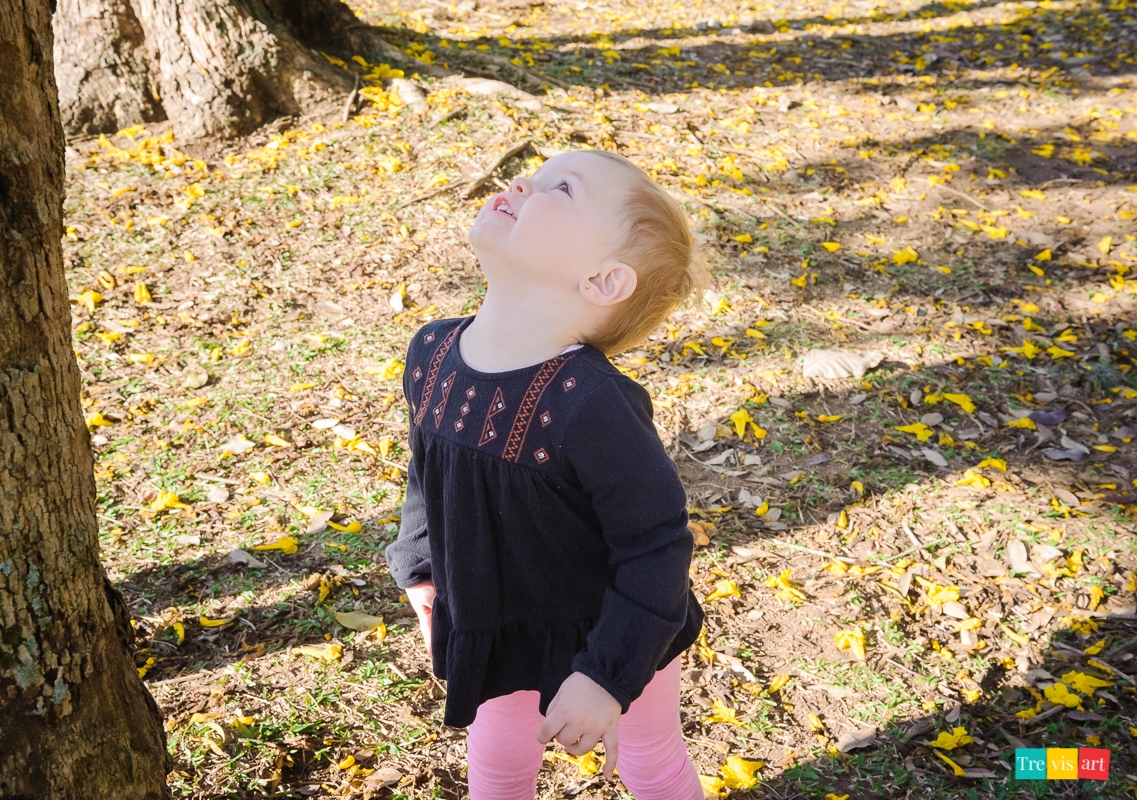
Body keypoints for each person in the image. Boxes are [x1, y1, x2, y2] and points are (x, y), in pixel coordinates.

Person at [385, 147, 709, 800]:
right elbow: (429, 473)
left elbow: (657, 543)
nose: (522, 182)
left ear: (601, 281)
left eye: (559, 189)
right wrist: (420, 568)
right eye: (532, 174)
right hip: (494, 621)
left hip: (615, 628)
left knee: (650, 761)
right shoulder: (432, 351)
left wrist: (607, 676)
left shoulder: (588, 402)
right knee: (497, 763)